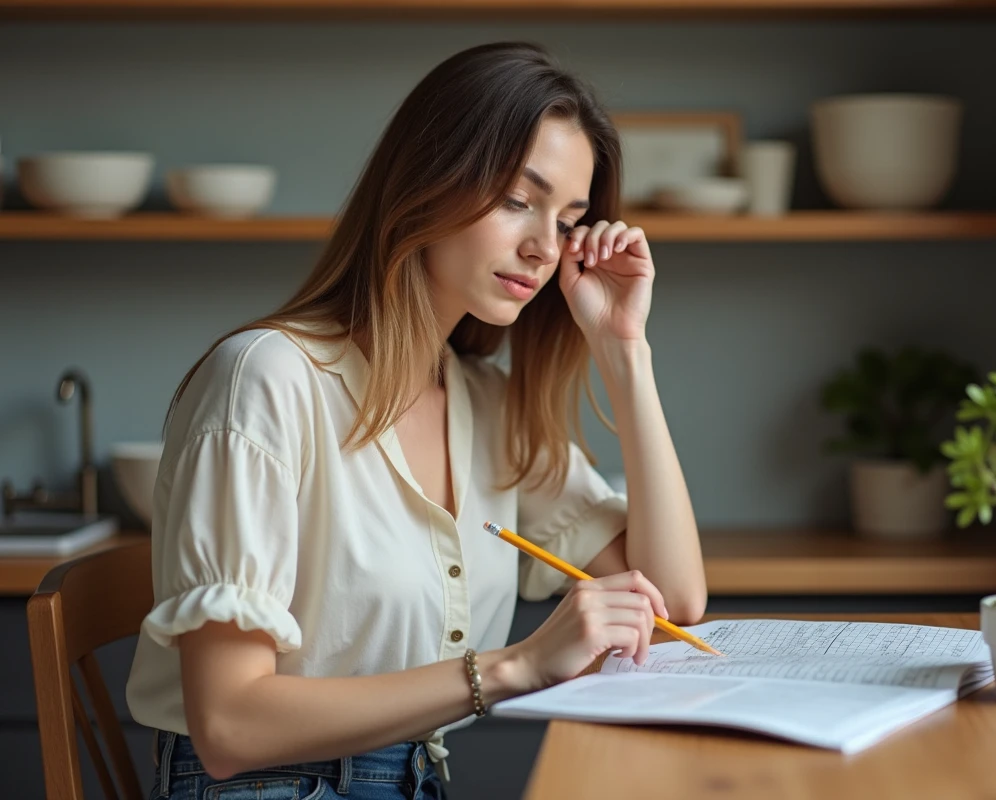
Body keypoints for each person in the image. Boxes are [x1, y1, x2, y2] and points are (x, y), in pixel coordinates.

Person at [125, 40, 707, 800]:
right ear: (429, 182)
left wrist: (625, 351)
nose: (544, 248)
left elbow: (672, 601)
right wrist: (517, 665)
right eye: (516, 200)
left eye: (569, 222)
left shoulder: (488, 404)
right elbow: (230, 728)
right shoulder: (265, 380)